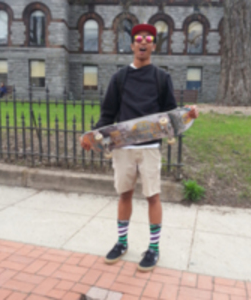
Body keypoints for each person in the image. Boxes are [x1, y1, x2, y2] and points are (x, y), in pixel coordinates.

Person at [81, 23, 198, 272]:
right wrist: (91, 135)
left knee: (152, 196)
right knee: (124, 194)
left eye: (148, 39)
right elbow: (107, 115)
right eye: (138, 38)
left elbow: (171, 114)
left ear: (153, 45)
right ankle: (122, 243)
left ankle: (153, 248)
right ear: (132, 44)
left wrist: (189, 114)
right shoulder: (120, 77)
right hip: (123, 148)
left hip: (150, 147)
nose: (143, 42)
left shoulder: (161, 77)